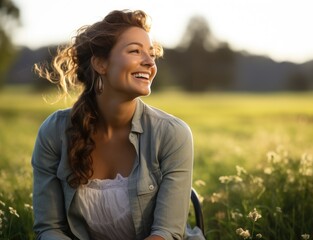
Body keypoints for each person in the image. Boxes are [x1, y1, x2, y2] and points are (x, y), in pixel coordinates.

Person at [32, 9, 202, 240]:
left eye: (151, 54)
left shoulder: (172, 134)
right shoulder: (54, 132)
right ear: (101, 64)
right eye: (135, 51)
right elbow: (49, 228)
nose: (150, 62)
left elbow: (166, 233)